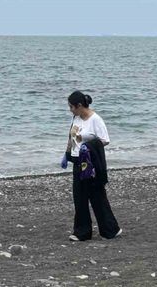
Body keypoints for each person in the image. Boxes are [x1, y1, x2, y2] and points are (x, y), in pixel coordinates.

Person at [62, 91, 121, 242]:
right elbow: (72, 136)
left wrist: (88, 146)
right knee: (79, 197)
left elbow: (105, 140)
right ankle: (82, 232)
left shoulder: (95, 120)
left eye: (72, 107)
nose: (70, 110)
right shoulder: (76, 118)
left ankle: (110, 230)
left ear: (79, 105)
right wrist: (67, 153)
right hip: (77, 161)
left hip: (91, 162)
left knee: (97, 196)